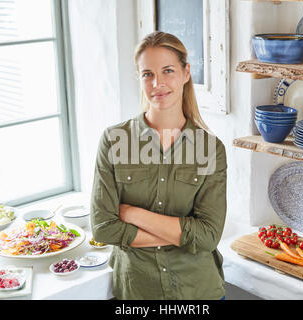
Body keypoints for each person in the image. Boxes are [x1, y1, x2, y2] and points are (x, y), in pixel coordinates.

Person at [90, 31, 227, 300]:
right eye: (147, 74)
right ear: (139, 78)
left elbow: (209, 237)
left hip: (198, 291)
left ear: (186, 73)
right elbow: (103, 228)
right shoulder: (114, 141)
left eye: (168, 71)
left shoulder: (210, 149)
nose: (157, 83)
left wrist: (132, 214)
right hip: (137, 292)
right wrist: (183, 236)